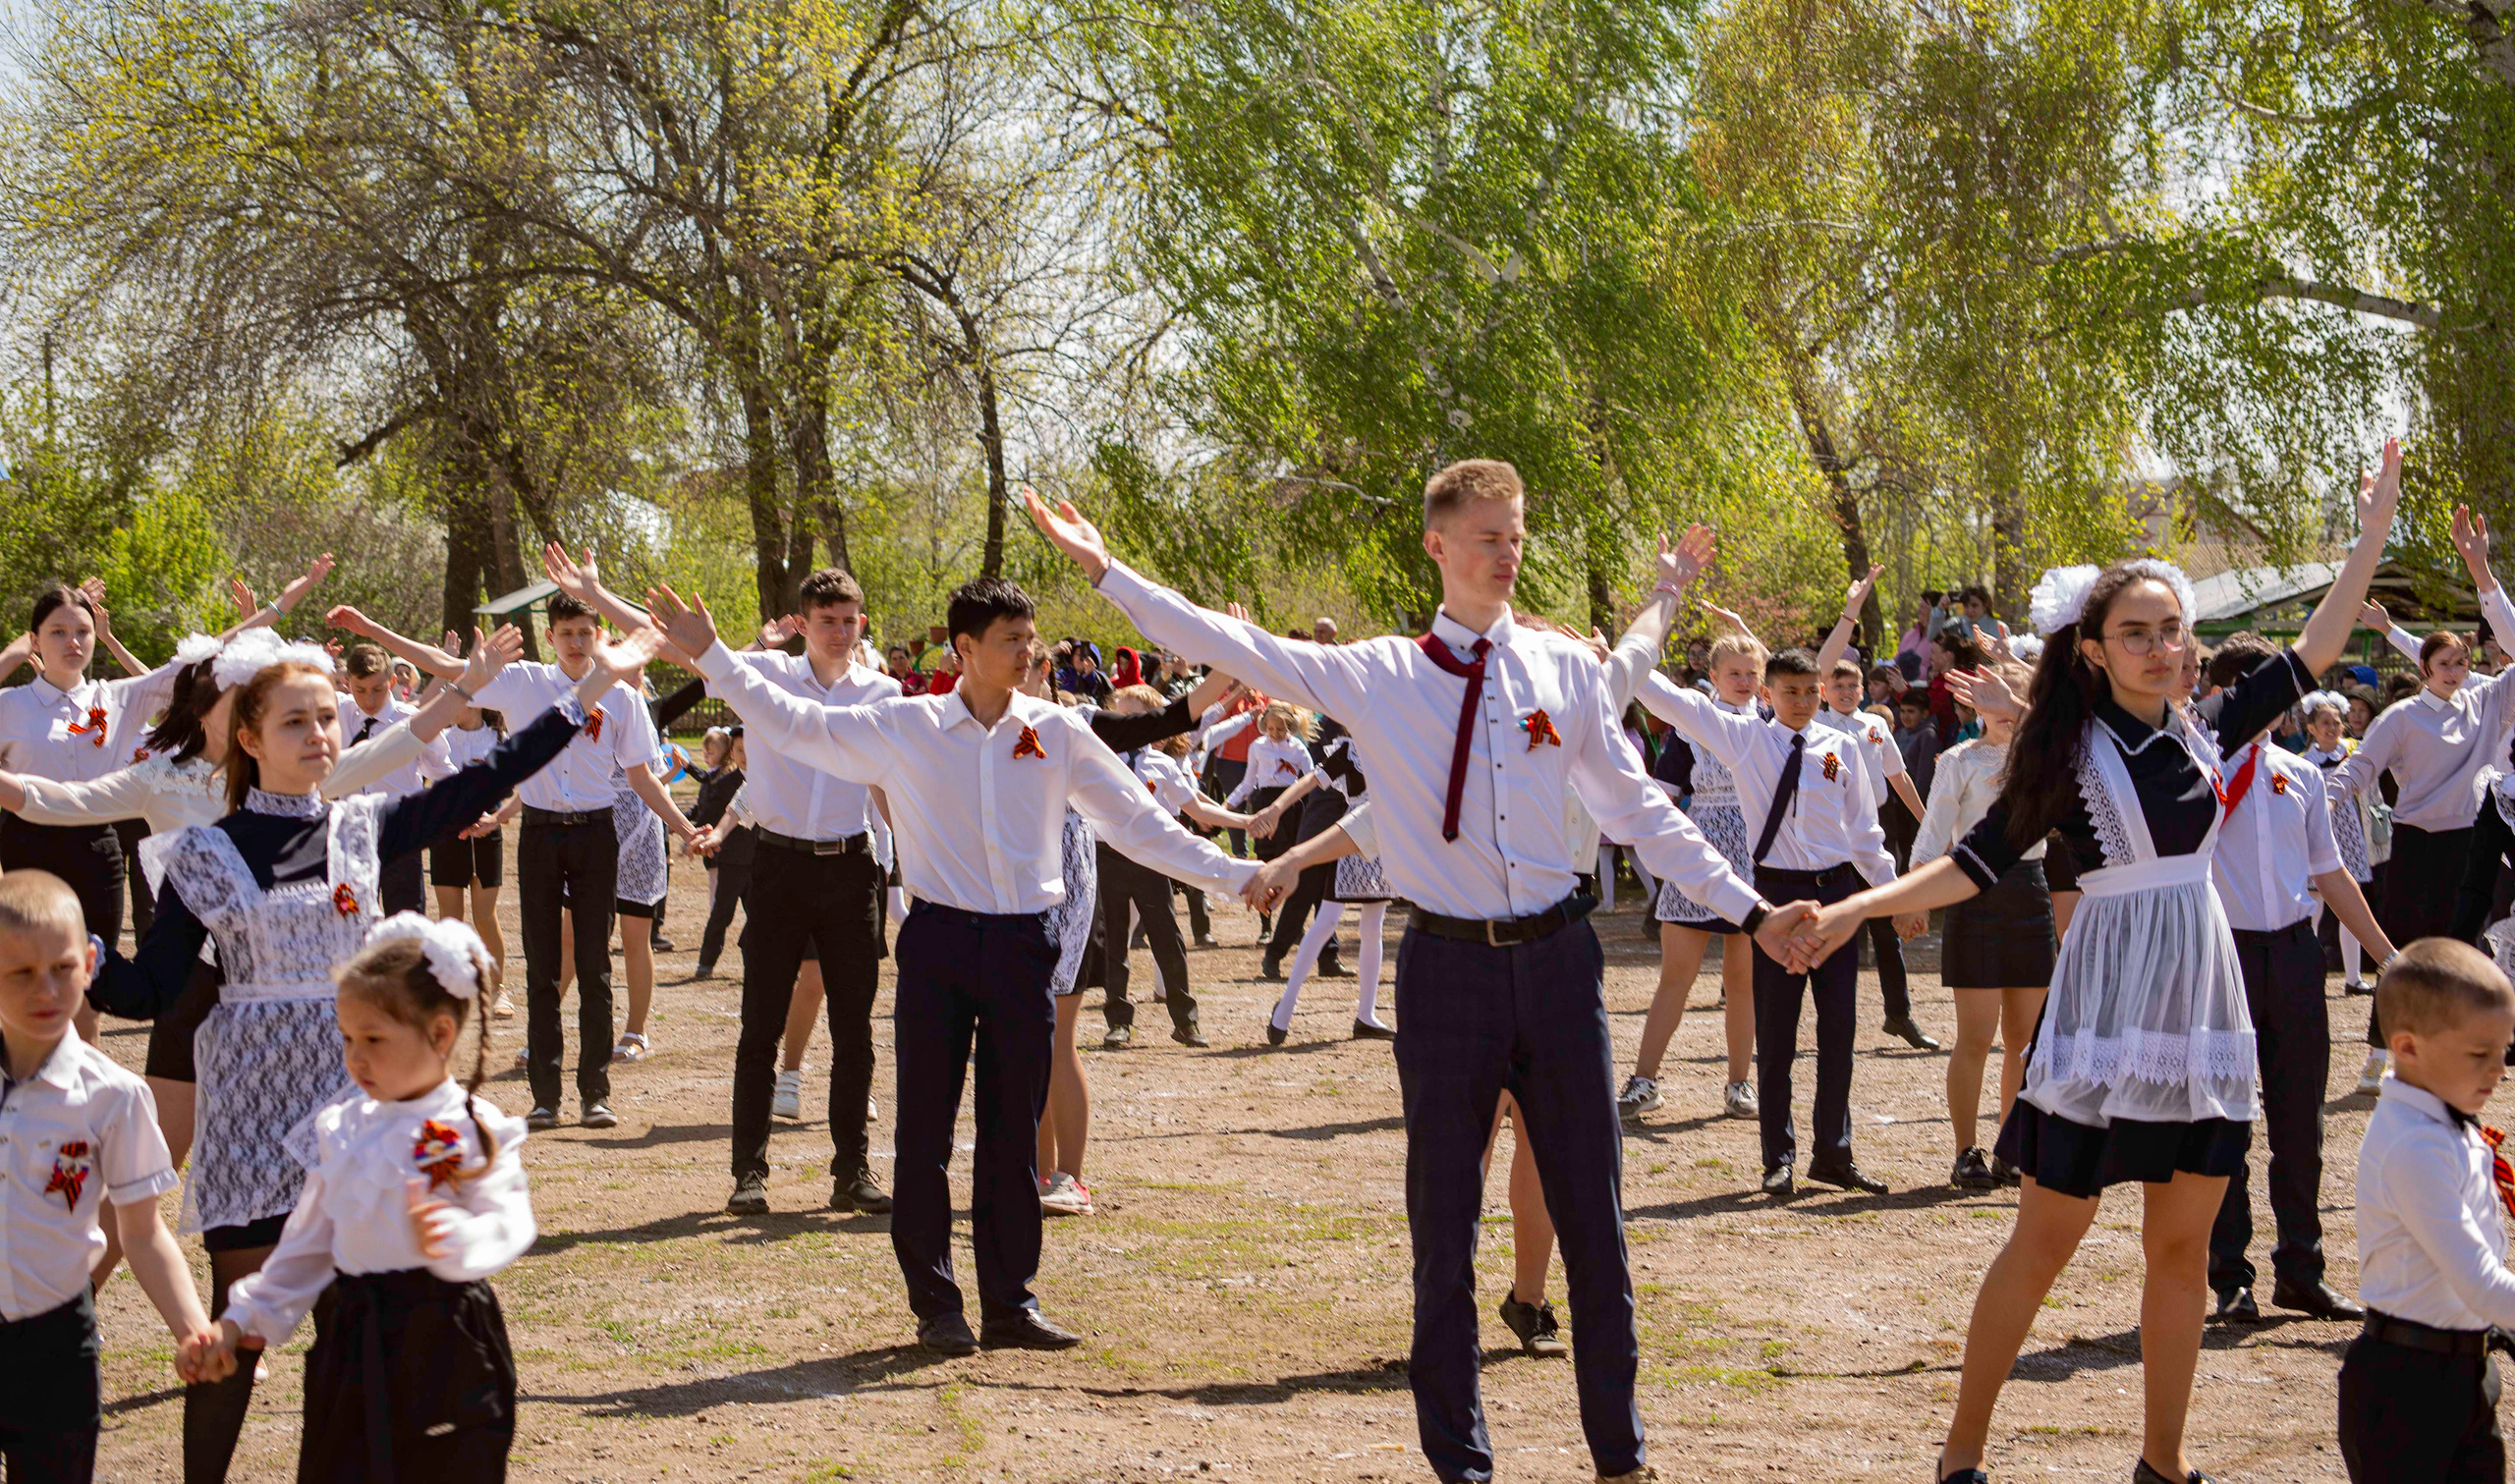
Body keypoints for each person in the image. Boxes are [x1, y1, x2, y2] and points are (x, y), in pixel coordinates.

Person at [1028, 466, 1815, 1484]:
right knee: (1442, 1228)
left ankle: (1620, 1459)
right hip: (1444, 968)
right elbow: (1237, 644)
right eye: (1485, 534)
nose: (1506, 550)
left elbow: (1641, 813)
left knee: (1595, 1220)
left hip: (1562, 962)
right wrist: (1105, 570)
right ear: (1437, 546)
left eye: (1515, 533)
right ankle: (1461, 1463)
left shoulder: (1562, 674)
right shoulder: (1381, 672)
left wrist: (1750, 907)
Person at [1780, 438, 2395, 1484]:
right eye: (2136, 634)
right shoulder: (2065, 756)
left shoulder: (2208, 730)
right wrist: (1858, 912)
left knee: (2182, 1251)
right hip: (2105, 1018)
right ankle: (1960, 1452)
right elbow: (1969, 864)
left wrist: (2370, 531)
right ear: (2095, 649)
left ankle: (2163, 1460)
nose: (2161, 648)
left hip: (2199, 1013)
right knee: (2044, 1240)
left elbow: (2318, 644)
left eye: (2172, 630)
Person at [84, 626, 643, 1482]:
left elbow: (482, 781)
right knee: (242, 1317)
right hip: (247, 1105)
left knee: (361, 1323)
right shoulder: (202, 852)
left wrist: (589, 691)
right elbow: (150, 990)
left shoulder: (362, 826)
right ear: (248, 737)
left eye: (325, 719)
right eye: (294, 723)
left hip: (359, 1094)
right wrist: (81, 961)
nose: (318, 735)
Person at [649, 575, 1259, 1353]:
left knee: (1011, 1133)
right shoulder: (903, 726)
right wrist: (718, 660)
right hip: (938, 945)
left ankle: (1011, 1302)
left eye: (1029, 638)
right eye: (1011, 640)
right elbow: (794, 723)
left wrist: (1238, 876)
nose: (1028, 652)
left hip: (1022, 947)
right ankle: (937, 1305)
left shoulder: (1059, 731)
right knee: (925, 1134)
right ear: (964, 649)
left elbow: (1140, 824)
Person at [328, 595, 699, 1132]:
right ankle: (545, 1096)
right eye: (566, 632)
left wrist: (686, 827)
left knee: (594, 965)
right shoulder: (525, 682)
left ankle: (595, 1092)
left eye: (585, 633)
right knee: (543, 965)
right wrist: (370, 626)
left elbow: (641, 776)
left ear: (597, 636)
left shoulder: (621, 696)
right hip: (542, 834)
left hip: (597, 832)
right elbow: (443, 664)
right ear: (551, 637)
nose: (576, 642)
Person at [206, 915, 533, 1480]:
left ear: (439, 1035)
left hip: (445, 1344)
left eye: (374, 1039)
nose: (355, 1058)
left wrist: (454, 1239)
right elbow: (306, 1247)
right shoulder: (345, 1128)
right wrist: (239, 1319)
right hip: (354, 1342)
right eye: (348, 1038)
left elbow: (506, 1217)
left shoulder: (463, 1131)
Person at [1637, 645, 1900, 1196]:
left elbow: (1865, 836)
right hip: (1776, 896)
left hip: (1836, 898)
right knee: (1777, 1033)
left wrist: (1896, 898)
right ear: (1768, 695)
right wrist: (1625, 664)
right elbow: (1682, 706)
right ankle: (1777, 1157)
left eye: (1810, 691)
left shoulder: (1843, 746)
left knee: (1839, 1030)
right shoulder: (1747, 739)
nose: (1802, 701)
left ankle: (1834, 1153)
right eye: (1789, 692)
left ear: (1822, 692)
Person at [2190, 633, 2396, 1325]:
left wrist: (2388, 956)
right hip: (2222, 956)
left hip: (2296, 955)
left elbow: (2330, 872)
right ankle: (2230, 1275)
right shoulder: (2195, 771)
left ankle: (2301, 1268)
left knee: (2299, 1117)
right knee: (2225, 1117)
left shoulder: (2301, 775)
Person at [0, 870, 223, 1483]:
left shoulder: (115, 1097)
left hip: (57, 1347)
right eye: (21, 973)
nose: (46, 989)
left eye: (63, 968)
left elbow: (144, 1232)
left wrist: (193, 1330)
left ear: (92, 960)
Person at [2331, 503, 2515, 1092]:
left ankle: (2461, 1057)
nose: (2459, 670)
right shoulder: (2401, 717)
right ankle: (2377, 1057)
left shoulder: (2488, 700)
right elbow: (2359, 768)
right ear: (2426, 666)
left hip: (2471, 846)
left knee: (2467, 956)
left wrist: (2482, 573)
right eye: (2446, 662)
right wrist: (2322, 799)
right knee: (2404, 956)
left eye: (2465, 661)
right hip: (2415, 845)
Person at [2339, 937, 2515, 1483]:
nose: (2500, 1071)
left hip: (2465, 1372)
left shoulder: (2446, 1122)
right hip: (2407, 1390)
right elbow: (2480, 1280)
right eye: (2479, 1054)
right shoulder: (2415, 1145)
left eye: (2504, 1051)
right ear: (2409, 1048)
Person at [1907, 662, 2052, 1189]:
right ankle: (1966, 1149)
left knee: (2026, 1040)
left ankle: (2011, 1148)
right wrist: (1914, 897)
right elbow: (1931, 834)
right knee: (1975, 1036)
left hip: (2031, 893)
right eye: (1995, 696)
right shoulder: (1958, 761)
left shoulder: (2044, 757)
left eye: (2016, 694)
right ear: (1976, 704)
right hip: (1974, 894)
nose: (2005, 705)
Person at [1620, 629, 1762, 1124]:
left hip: (1751, 859)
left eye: (1751, 673)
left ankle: (1740, 1084)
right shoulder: (1690, 725)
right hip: (1695, 851)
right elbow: (1660, 791)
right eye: (1734, 673)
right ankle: (1644, 1081)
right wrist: (1663, 845)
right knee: (1674, 978)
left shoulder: (1769, 723)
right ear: (1714, 677)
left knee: (1741, 980)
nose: (1743, 681)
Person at [1263, 730, 1398, 1045]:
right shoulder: (1349, 750)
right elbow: (1310, 780)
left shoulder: (1397, 744)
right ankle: (1286, 1004)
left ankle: (1366, 1014)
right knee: (1326, 921)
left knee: (1373, 928)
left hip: (1383, 841)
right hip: (1350, 837)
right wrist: (1276, 808)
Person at [338, 643, 429, 914]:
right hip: (351, 835)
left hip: (399, 834)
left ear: (392, 681)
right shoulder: (339, 712)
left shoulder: (410, 719)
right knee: (349, 918)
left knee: (404, 923)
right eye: (360, 690)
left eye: (378, 689)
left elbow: (441, 769)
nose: (369, 700)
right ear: (347, 683)